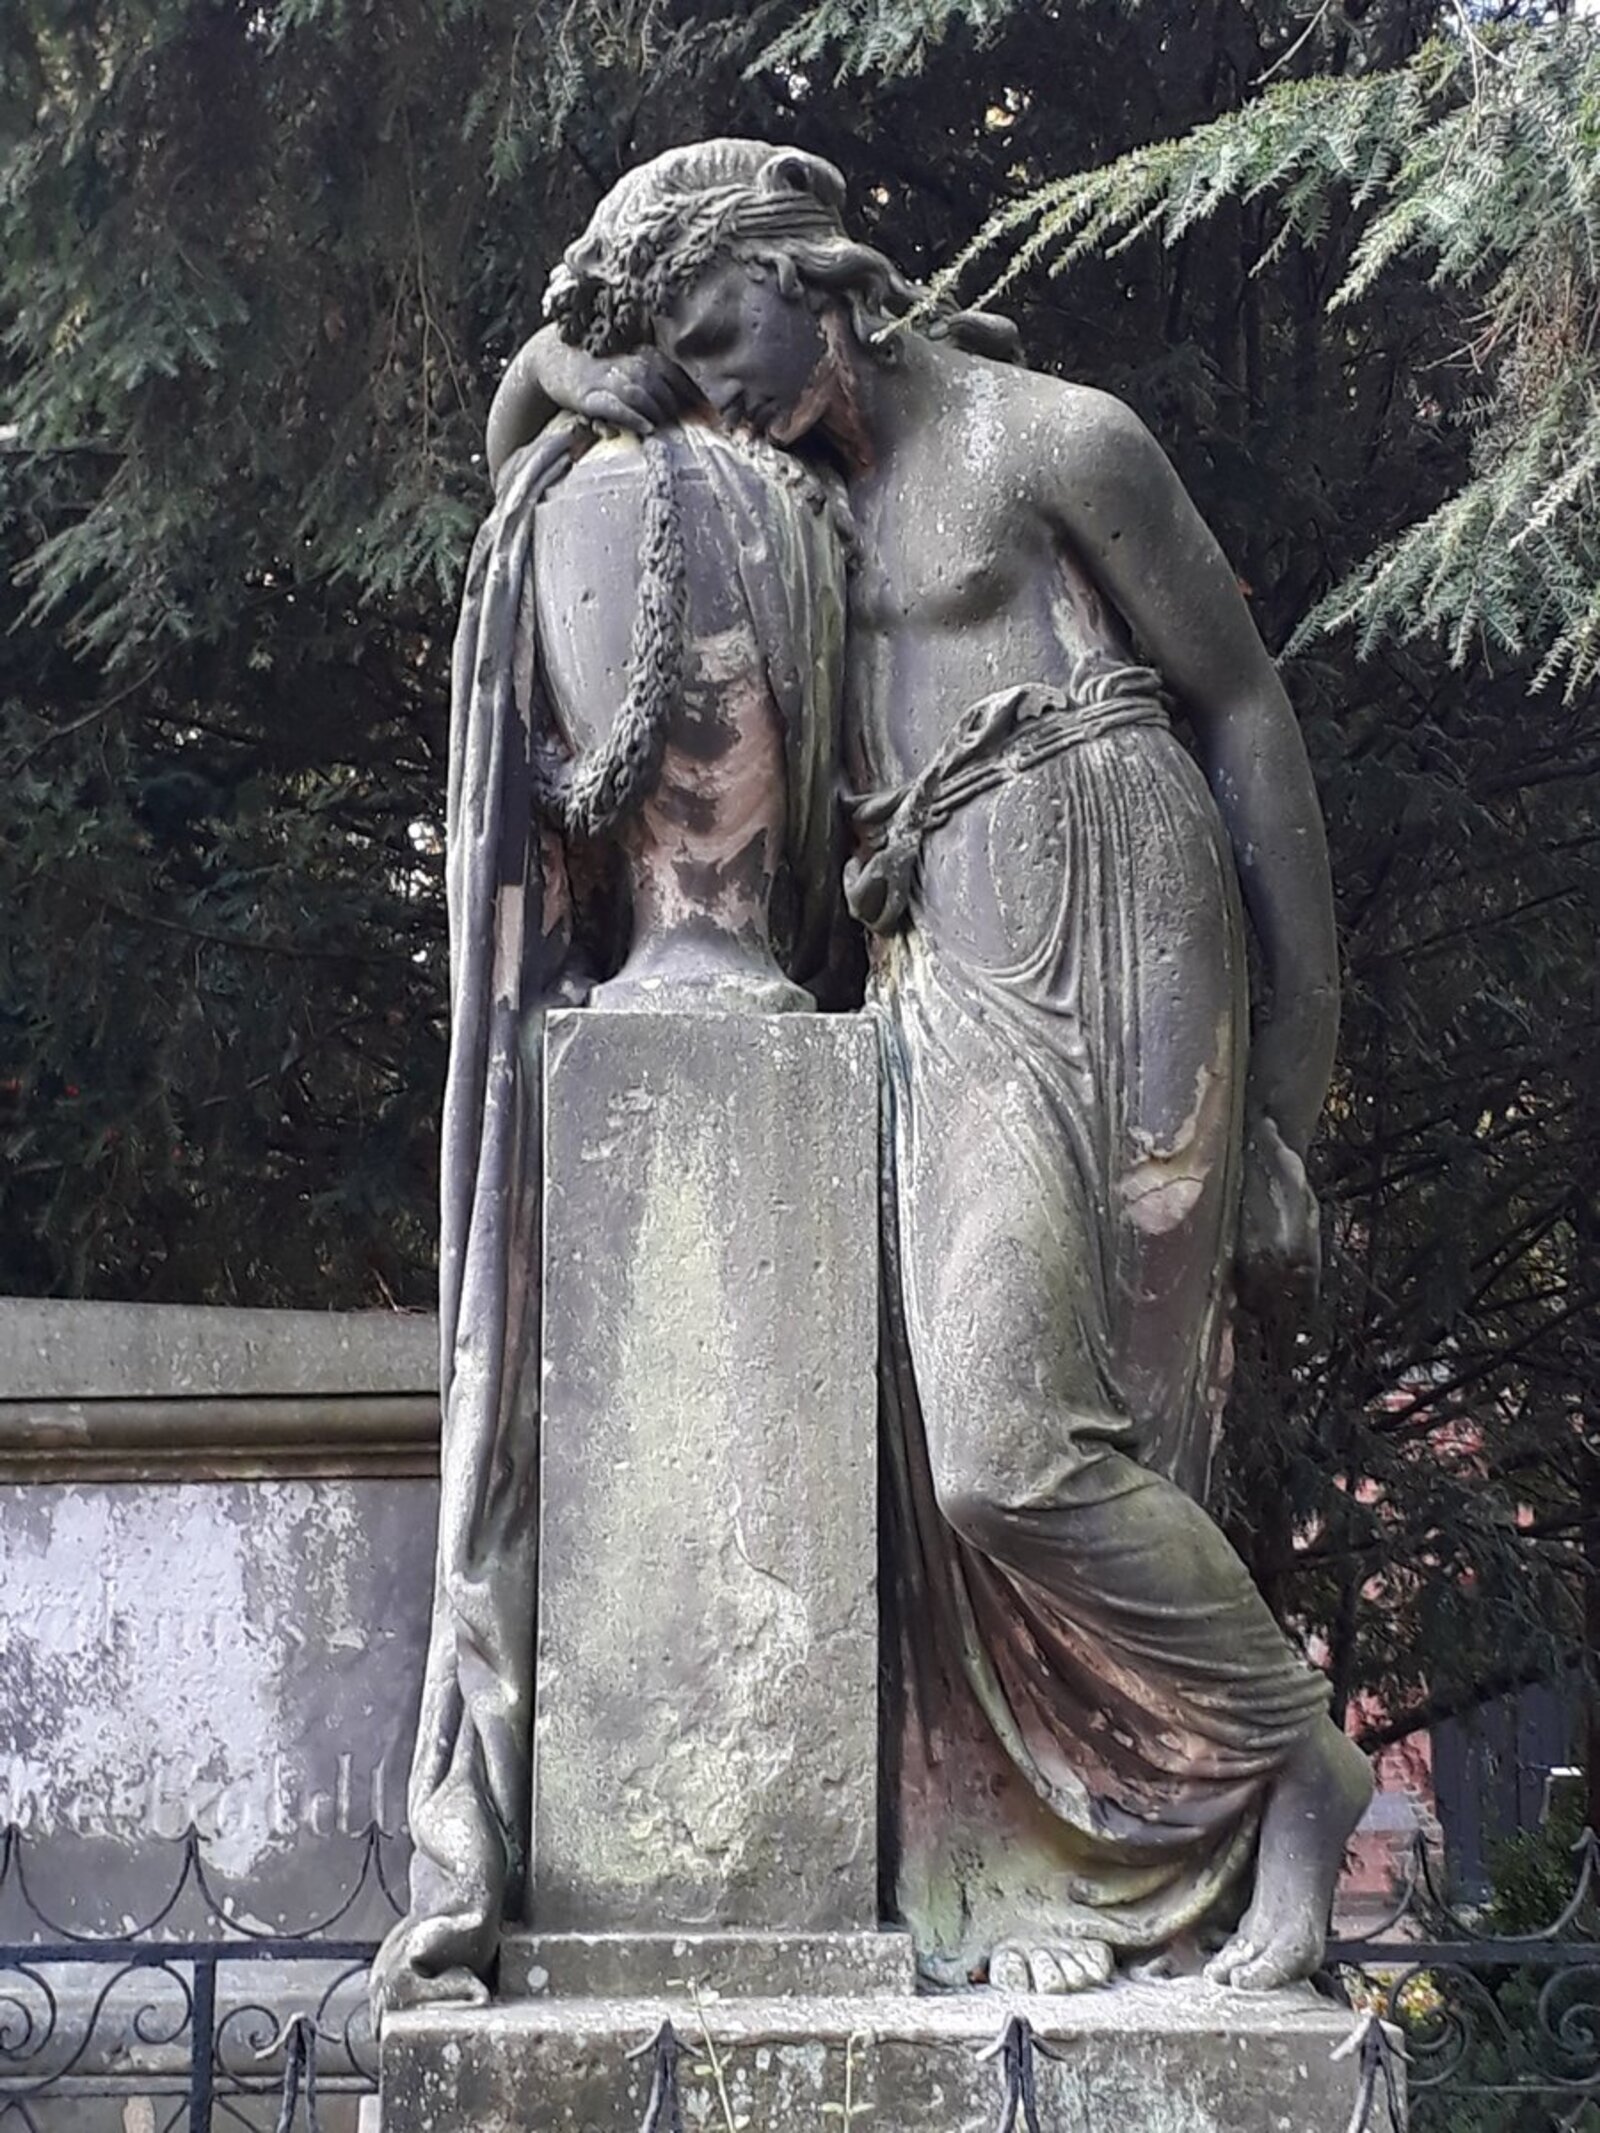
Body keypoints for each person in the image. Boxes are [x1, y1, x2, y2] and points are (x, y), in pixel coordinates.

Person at [482, 138, 1373, 1996]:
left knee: (1106, 1423)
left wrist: (1289, 1109)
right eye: (673, 353)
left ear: (813, 271)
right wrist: (574, 360)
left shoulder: (1056, 442)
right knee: (980, 1453)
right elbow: (527, 446)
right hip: (938, 966)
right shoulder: (776, 496)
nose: (702, 384)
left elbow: (1245, 715)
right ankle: (1209, 1772)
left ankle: (1271, 1789)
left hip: (1121, 910)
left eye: (712, 331)